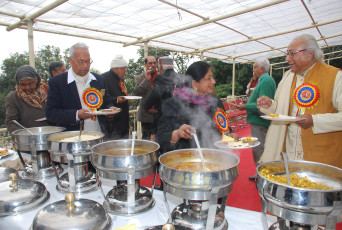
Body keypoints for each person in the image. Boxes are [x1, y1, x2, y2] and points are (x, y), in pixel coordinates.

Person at [257, 34, 342, 169]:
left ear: (309, 54)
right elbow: (283, 110)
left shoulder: (335, 77)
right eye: (287, 53)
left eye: (292, 53)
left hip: (322, 159)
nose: (287, 58)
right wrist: (271, 105)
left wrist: (315, 120)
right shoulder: (288, 77)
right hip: (289, 154)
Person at [157, 61, 239, 154]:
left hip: (215, 158)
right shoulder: (173, 105)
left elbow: (224, 127)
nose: (214, 81)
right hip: (187, 161)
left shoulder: (215, 101)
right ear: (195, 83)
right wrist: (177, 133)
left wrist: (230, 135)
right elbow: (161, 140)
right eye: (209, 78)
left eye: (212, 77)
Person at [46, 42, 115, 132]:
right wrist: (76, 114)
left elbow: (106, 102)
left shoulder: (100, 80)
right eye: (80, 62)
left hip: (99, 135)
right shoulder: (58, 82)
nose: (85, 66)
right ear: (70, 60)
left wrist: (110, 109)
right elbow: (51, 113)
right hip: (74, 138)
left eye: (88, 61)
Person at [237, 59, 276, 181]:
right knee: (258, 150)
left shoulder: (266, 81)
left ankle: (263, 177)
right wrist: (248, 102)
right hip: (258, 122)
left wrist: (245, 106)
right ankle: (261, 175)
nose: (253, 70)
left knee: (259, 150)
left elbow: (263, 107)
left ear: (262, 69)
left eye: (254, 67)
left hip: (260, 123)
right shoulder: (264, 81)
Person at [5, 65, 50, 134]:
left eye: (31, 83)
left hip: (53, 135)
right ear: (18, 83)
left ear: (37, 80)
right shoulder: (13, 98)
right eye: (23, 84)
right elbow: (11, 121)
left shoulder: (48, 91)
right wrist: (25, 134)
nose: (27, 87)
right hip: (28, 140)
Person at [144, 56, 177, 132]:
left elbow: (155, 94)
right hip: (178, 116)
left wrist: (146, 107)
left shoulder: (160, 78)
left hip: (164, 117)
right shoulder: (181, 77)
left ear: (161, 66)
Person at [101, 55, 129, 139]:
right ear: (116, 68)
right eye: (124, 68)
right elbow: (101, 99)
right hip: (112, 122)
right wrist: (116, 99)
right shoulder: (103, 78)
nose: (125, 71)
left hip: (123, 120)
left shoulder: (121, 79)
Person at [133, 56, 158, 140]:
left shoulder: (161, 76)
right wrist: (146, 80)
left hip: (159, 115)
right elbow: (137, 92)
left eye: (155, 63)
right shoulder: (139, 77)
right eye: (150, 63)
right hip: (146, 116)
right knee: (146, 140)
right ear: (145, 65)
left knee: (159, 140)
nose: (153, 65)